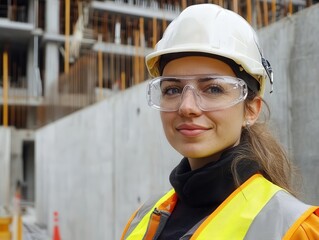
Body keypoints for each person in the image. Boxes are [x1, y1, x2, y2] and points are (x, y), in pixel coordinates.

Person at [121, 4, 319, 240]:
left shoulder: (292, 228)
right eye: (173, 90)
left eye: (213, 89)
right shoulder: (143, 220)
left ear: (251, 110)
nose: (187, 107)